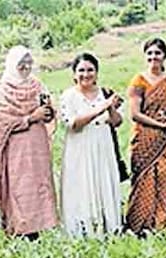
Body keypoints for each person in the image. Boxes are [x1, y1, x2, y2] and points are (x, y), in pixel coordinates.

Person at [0, 46, 58, 239]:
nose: (25, 67)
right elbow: (2, 122)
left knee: (38, 187)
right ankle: (18, 231)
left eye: (28, 62)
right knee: (18, 188)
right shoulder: (3, 90)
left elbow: (48, 114)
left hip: (37, 146)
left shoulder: (37, 85)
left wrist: (48, 111)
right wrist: (30, 118)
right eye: (21, 63)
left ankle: (38, 231)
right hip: (15, 147)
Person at [125, 38, 166, 235]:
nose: (154, 57)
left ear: (165, 56)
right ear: (145, 56)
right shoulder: (139, 81)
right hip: (146, 137)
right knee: (144, 178)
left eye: (158, 53)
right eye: (150, 53)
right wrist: (158, 124)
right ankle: (140, 223)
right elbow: (135, 113)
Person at [59, 53, 124, 237]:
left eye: (90, 70)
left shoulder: (105, 94)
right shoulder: (68, 96)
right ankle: (82, 228)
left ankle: (108, 226)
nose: (86, 74)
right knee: (81, 184)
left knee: (103, 180)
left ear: (96, 73)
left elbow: (117, 122)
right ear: (74, 74)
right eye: (81, 70)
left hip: (102, 144)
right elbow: (73, 124)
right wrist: (101, 107)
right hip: (79, 146)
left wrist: (111, 107)